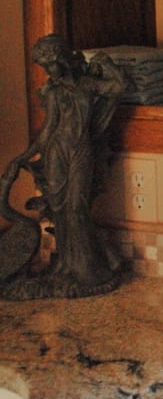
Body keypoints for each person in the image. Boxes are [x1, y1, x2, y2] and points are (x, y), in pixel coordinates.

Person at [0, 35, 128, 299]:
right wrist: (23, 157)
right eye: (44, 67)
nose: (48, 72)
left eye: (50, 65)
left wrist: (107, 65)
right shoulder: (54, 92)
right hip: (56, 152)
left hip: (81, 151)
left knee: (77, 208)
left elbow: (117, 88)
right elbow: (47, 132)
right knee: (60, 212)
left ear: (61, 59)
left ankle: (92, 271)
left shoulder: (86, 85)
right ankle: (69, 266)